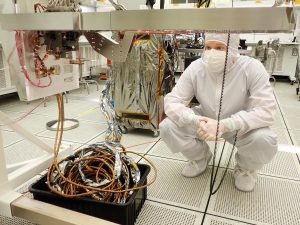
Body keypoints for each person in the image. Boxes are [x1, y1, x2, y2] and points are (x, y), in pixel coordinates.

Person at [159, 33, 278, 192]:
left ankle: (245, 169)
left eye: (220, 48)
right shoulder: (196, 67)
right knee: (168, 127)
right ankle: (200, 158)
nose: (212, 53)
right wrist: (195, 120)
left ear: (234, 49)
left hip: (240, 124)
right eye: (208, 47)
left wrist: (226, 125)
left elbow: (267, 110)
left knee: (264, 139)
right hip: (205, 119)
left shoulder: (251, 67)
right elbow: (173, 101)